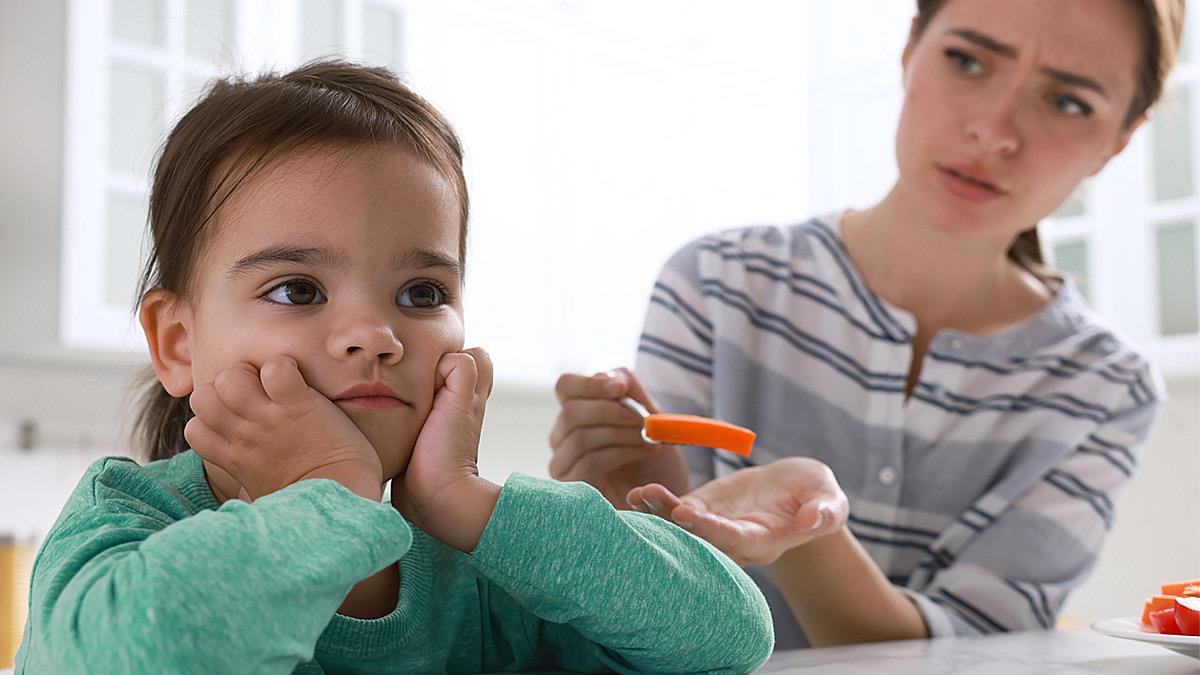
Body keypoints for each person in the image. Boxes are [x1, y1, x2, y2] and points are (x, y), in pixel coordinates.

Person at [15, 61, 773, 674]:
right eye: (297, 289)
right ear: (178, 342)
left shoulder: (487, 562)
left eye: (422, 292)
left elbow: (731, 635)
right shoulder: (128, 519)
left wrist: (472, 504)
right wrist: (327, 493)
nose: (374, 335)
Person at [549, 0, 1185, 649]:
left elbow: (979, 649)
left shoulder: (1107, 384)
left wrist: (801, 534)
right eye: (967, 60)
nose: (994, 132)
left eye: (1068, 101)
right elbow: (648, 625)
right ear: (911, 49)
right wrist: (631, 524)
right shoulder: (716, 282)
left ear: (1120, 141)